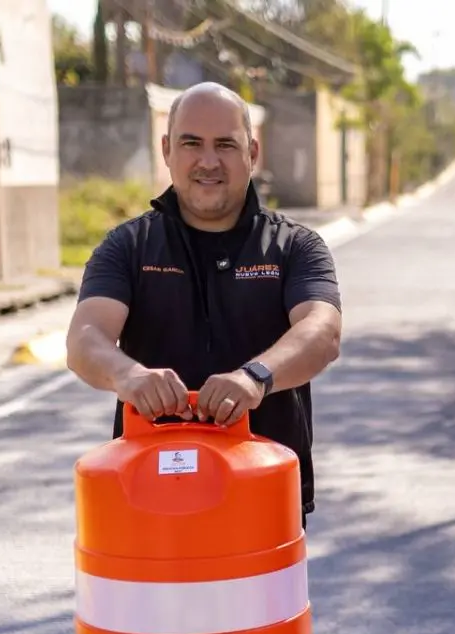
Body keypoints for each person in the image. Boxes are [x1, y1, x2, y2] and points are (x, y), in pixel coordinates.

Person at [65, 82, 342, 522]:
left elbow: (321, 331)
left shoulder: (295, 245)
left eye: (226, 145)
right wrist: (129, 375)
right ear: (166, 149)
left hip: (263, 496)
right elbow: (85, 339)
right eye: (191, 143)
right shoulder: (128, 246)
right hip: (145, 498)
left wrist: (255, 378)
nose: (208, 161)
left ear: (252, 152)